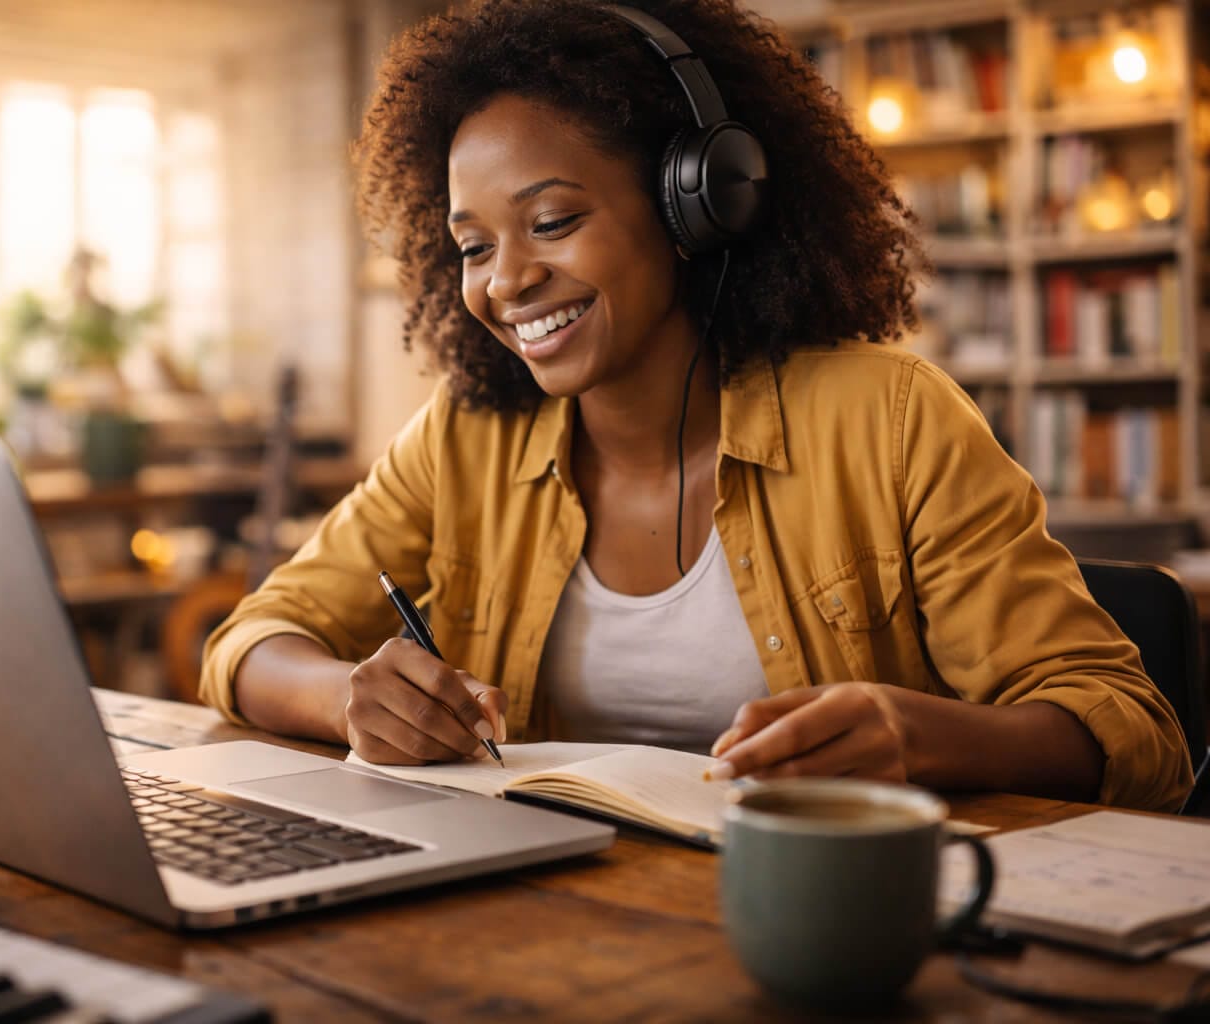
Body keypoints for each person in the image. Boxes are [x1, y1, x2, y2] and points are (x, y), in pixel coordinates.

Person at [199, 0, 1192, 813]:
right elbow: (249, 642)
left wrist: (924, 735)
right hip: (551, 922)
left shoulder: (889, 421)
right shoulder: (467, 439)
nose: (506, 282)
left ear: (696, 206)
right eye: (471, 245)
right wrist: (347, 698)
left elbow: (1131, 730)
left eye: (552, 221)